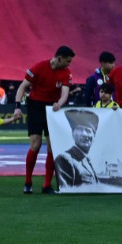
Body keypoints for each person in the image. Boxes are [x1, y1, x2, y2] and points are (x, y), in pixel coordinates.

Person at [14, 45, 75, 194]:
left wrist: (59, 104)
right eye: (67, 61)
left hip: (52, 109)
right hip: (35, 106)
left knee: (51, 146)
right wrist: (17, 106)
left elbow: (65, 93)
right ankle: (28, 182)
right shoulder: (39, 67)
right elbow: (23, 86)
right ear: (59, 58)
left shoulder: (66, 73)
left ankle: (46, 185)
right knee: (35, 144)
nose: (69, 65)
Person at [54, 109, 100, 188]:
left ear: (94, 136)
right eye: (79, 129)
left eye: (88, 130)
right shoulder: (65, 159)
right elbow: (66, 190)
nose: (84, 134)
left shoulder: (87, 160)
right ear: (73, 134)